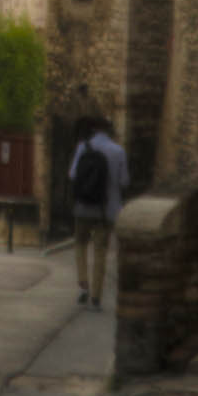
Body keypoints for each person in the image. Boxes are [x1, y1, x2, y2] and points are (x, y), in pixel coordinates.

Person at [65, 113, 129, 308]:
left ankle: (83, 283)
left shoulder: (83, 147)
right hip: (106, 209)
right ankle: (96, 296)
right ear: (110, 131)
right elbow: (124, 181)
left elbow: (73, 174)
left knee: (80, 243)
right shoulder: (118, 151)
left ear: (93, 130)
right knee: (101, 250)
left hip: (84, 207)